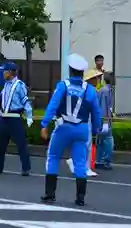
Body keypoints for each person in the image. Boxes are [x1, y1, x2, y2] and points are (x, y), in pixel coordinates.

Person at [40, 54, 102, 206]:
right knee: (80, 163)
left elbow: (53, 106)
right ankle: (80, 198)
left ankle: (50, 194)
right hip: (81, 129)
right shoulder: (90, 90)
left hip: (63, 127)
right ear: (83, 73)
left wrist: (44, 124)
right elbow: (96, 112)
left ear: (70, 70)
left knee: (53, 156)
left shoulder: (63, 86)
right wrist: (95, 130)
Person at [0, 62, 32, 176]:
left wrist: (29, 116)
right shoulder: (5, 85)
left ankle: (26, 168)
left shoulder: (20, 85)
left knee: (21, 144)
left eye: (5, 71)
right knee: (1, 145)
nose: (3, 73)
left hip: (15, 118)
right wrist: (0, 113)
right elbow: (4, 101)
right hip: (4, 117)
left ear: (11, 72)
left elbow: (25, 102)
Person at [96, 72, 114, 170]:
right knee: (108, 140)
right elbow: (104, 107)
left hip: (102, 119)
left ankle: (99, 161)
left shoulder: (106, 90)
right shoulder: (106, 91)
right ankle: (104, 161)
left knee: (101, 140)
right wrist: (106, 121)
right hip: (104, 120)